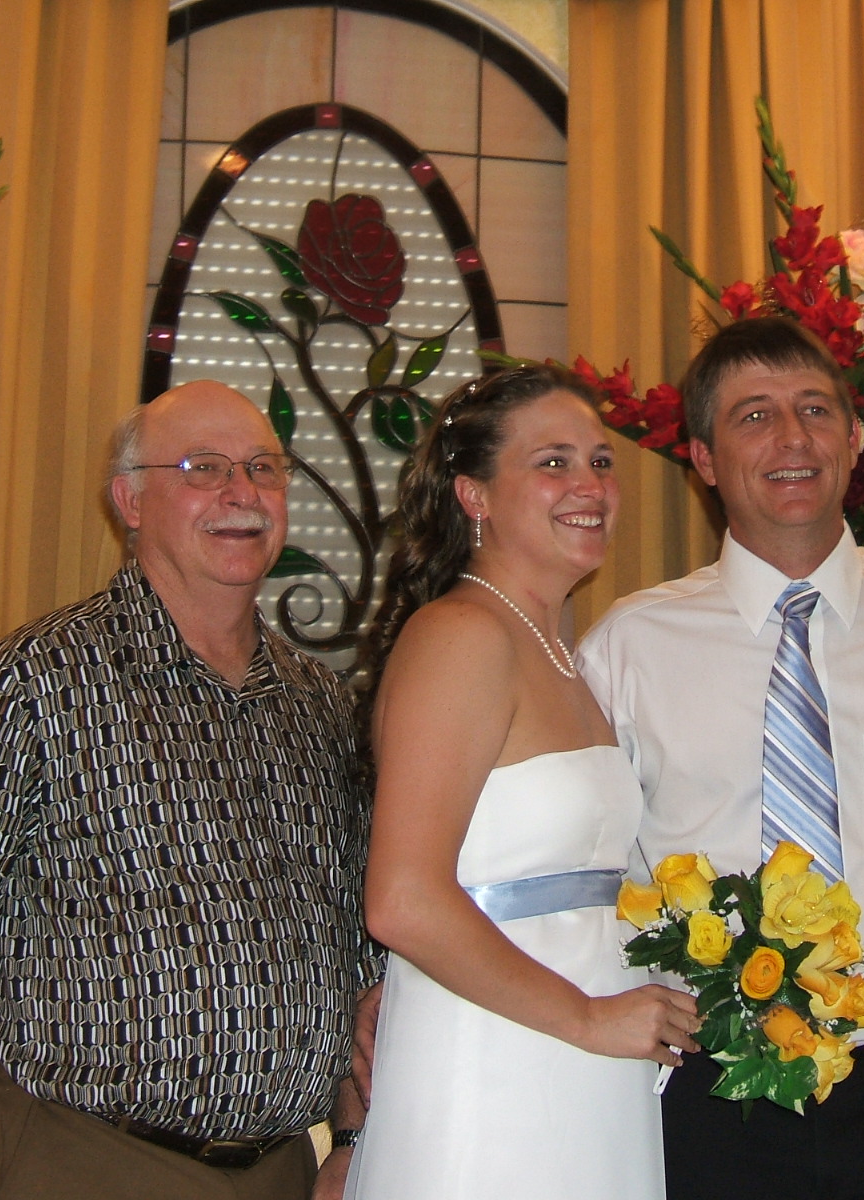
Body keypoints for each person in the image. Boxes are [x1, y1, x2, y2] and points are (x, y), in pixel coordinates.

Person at [0, 380, 378, 1200]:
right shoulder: (33, 682)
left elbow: (361, 953)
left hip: (283, 1170)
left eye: (263, 469)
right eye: (203, 468)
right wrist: (28, 1067)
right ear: (130, 501)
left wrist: (350, 1139)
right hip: (86, 1160)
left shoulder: (323, 706)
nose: (242, 493)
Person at [578, 316, 864, 1200]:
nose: (792, 437)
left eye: (815, 409)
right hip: (705, 1087)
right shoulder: (629, 646)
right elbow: (582, 868)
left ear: (854, 440)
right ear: (703, 459)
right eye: (754, 416)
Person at [343, 365, 701, 1200]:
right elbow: (401, 900)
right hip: (498, 1062)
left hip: (586, 1064)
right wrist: (586, 1016)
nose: (590, 485)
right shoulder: (460, 635)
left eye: (600, 462)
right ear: (474, 495)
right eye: (553, 463)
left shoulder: (560, 656)